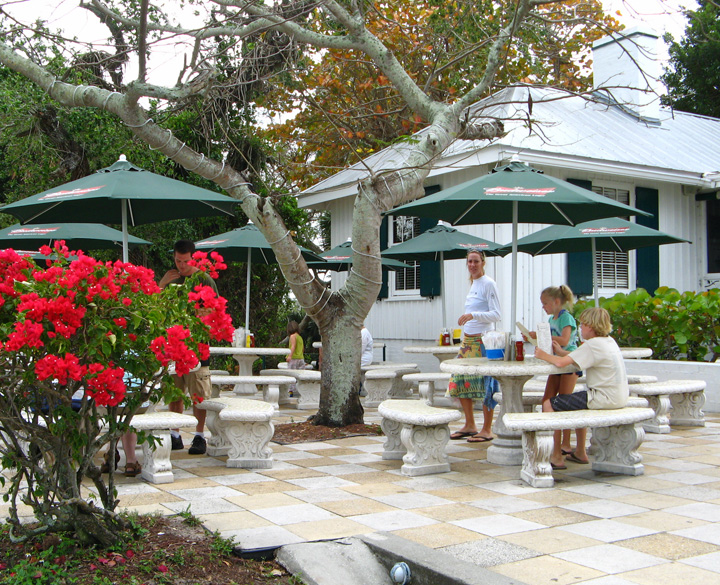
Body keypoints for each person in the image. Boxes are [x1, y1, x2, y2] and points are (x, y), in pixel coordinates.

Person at [534, 307, 629, 469]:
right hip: (618, 397)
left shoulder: (593, 344)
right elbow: (574, 356)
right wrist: (561, 352)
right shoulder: (608, 341)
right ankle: (579, 452)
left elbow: (559, 363)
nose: (580, 328)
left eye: (583, 325)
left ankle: (556, 456)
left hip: (602, 398)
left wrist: (542, 354)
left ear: (591, 327)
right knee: (576, 399)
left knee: (549, 404)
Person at [159, 239, 218, 455]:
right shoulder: (170, 278)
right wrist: (162, 283)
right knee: (174, 393)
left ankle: (199, 436)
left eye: (184, 261)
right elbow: (154, 306)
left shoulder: (204, 280)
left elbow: (216, 310)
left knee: (199, 395)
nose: (181, 265)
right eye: (177, 260)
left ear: (192, 258)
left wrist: (203, 315)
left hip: (197, 347)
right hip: (173, 347)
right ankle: (175, 435)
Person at [448, 249, 501, 443]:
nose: (472, 265)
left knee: (487, 384)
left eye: (476, 261)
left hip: (483, 340)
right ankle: (470, 423)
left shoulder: (488, 284)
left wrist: (473, 315)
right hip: (468, 340)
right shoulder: (473, 284)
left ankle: (487, 428)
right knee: (459, 380)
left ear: (483, 263)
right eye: (470, 261)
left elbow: (497, 314)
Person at [527, 285, 580, 460]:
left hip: (569, 364)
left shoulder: (567, 318)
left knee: (564, 401)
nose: (544, 307)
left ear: (557, 302)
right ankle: (552, 440)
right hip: (555, 362)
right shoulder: (551, 320)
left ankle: (565, 442)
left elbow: (565, 340)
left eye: (546, 303)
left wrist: (544, 337)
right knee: (547, 398)